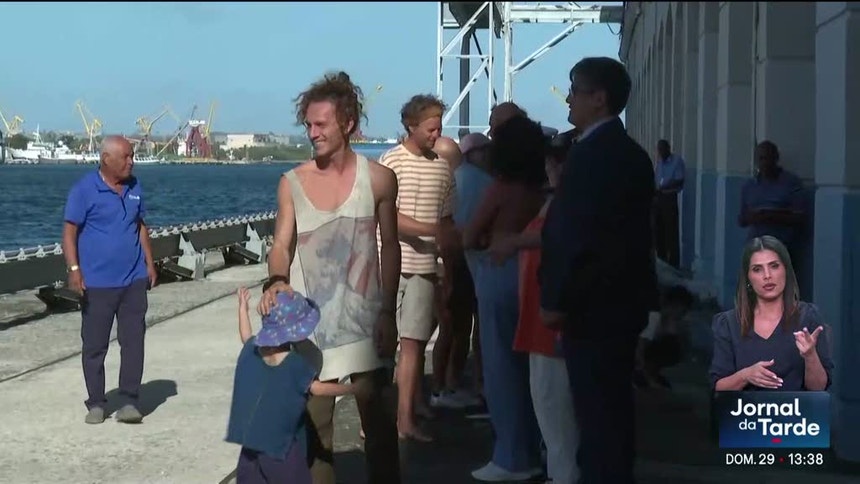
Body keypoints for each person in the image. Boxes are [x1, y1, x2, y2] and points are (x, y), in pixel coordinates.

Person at [256, 71, 400, 484]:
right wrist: (276, 280)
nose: (312, 133)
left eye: (321, 124)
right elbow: (281, 244)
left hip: (366, 323)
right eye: (308, 124)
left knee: (380, 429)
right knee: (316, 435)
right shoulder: (292, 183)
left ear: (348, 123)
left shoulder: (379, 179)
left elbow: (389, 246)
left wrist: (388, 312)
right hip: (311, 329)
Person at [540, 57, 659, 484]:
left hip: (592, 309)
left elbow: (574, 236)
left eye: (575, 90)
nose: (568, 99)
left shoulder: (592, 156)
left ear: (599, 99)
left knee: (598, 420)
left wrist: (554, 299)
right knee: (611, 416)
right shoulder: (629, 154)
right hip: (619, 306)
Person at [488, 130, 580, 484]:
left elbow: (556, 236)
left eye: (555, 161)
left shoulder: (568, 203)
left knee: (557, 419)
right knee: (554, 418)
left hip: (551, 325)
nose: (550, 168)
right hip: (541, 320)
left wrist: (513, 241)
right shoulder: (556, 199)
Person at [463, 115, 545, 482]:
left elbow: (471, 235)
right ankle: (537, 446)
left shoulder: (501, 188)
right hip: (535, 275)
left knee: (501, 368)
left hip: (499, 273)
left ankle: (512, 455)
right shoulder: (541, 189)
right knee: (534, 370)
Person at [377, 94, 457, 442]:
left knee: (413, 346)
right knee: (383, 347)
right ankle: (378, 418)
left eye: (439, 128)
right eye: (430, 128)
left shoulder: (442, 168)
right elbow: (387, 218)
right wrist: (431, 231)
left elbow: (448, 221)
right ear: (411, 126)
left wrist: (445, 264)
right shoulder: (390, 162)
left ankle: (405, 419)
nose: (436, 134)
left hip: (424, 268)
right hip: (390, 267)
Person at [62, 135, 158, 425]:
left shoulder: (135, 187)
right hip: (97, 283)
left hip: (134, 280)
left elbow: (140, 226)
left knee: (133, 342)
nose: (132, 162)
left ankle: (129, 400)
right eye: (126, 157)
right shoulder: (83, 190)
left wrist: (150, 263)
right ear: (106, 159)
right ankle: (96, 402)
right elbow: (69, 232)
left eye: (132, 156)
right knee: (94, 345)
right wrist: (74, 269)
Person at [227, 286, 361, 484]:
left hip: (251, 442)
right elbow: (317, 388)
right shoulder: (293, 363)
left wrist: (242, 309)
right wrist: (353, 389)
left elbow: (245, 335)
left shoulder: (253, 349)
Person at [709, 235, 833, 392]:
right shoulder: (728, 324)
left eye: (774, 266)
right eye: (757, 269)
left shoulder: (808, 317)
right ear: (748, 278)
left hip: (796, 408)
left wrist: (810, 355)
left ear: (785, 270)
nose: (767, 276)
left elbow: (819, 388)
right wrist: (745, 376)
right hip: (746, 408)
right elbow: (718, 387)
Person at [428, 136, 480, 409]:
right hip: (452, 263)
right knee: (454, 328)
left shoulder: (442, 185)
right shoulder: (456, 185)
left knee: (449, 328)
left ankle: (441, 386)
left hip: (443, 263)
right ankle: (445, 386)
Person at [738, 141, 806, 263]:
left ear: (776, 158)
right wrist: (754, 217)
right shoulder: (749, 186)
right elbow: (741, 220)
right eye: (761, 159)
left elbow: (800, 218)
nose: (765, 163)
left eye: (768, 158)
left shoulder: (791, 183)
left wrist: (771, 216)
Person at [634, 285, 695, 389]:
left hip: (648, 359)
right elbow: (641, 346)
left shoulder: (674, 323)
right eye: (683, 310)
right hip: (640, 361)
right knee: (670, 343)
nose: (683, 315)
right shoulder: (654, 318)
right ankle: (645, 376)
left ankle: (651, 375)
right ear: (674, 305)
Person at [653, 139, 686, 268]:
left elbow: (679, 180)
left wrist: (664, 187)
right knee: (659, 230)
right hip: (659, 198)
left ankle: (673, 264)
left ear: (668, 148)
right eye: (659, 150)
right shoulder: (660, 163)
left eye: (662, 149)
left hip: (670, 198)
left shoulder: (677, 161)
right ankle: (662, 260)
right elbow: (656, 180)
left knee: (671, 232)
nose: (660, 152)